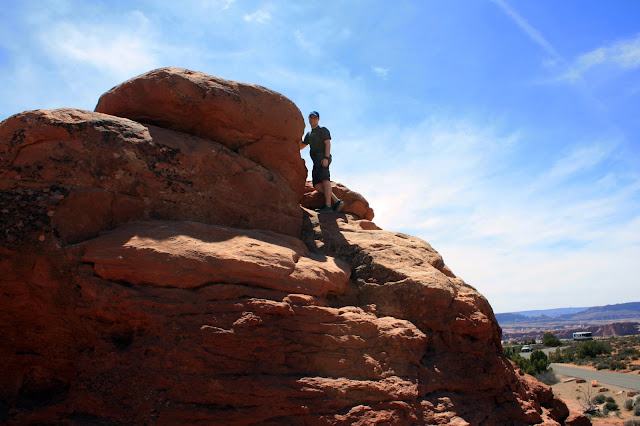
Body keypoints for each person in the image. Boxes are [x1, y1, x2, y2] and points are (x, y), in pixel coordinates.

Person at [299, 111, 343, 213]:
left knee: (325, 180)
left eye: (315, 117)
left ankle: (328, 206)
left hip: (323, 157)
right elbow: (301, 146)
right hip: (316, 160)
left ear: (318, 119)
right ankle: (336, 201)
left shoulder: (322, 130)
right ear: (309, 119)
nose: (312, 119)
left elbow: (327, 143)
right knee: (317, 185)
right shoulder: (309, 134)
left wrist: (326, 158)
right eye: (311, 117)